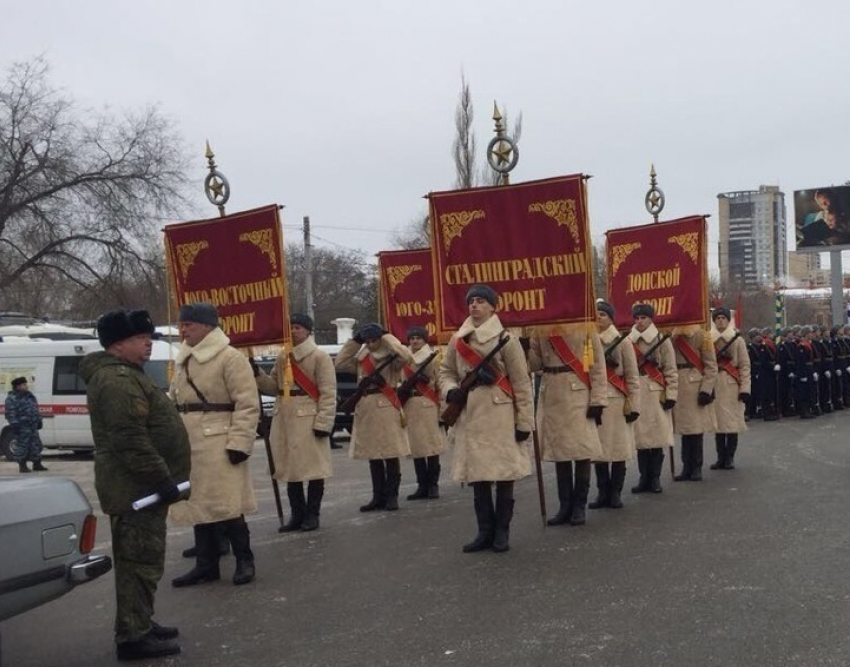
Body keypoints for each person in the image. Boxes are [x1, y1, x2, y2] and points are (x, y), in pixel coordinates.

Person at [78, 309, 190, 661]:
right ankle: (133, 636)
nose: (148, 345)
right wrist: (162, 478)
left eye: (150, 339)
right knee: (139, 564)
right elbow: (130, 440)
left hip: (142, 489)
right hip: (138, 489)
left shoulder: (127, 374)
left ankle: (140, 620)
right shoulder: (116, 381)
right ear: (117, 345)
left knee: (142, 562)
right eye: (141, 339)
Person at [169, 303, 260, 587]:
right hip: (189, 439)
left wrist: (240, 442)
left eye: (189, 324)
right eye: (182, 324)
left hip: (220, 439)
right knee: (199, 503)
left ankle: (245, 560)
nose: (183, 329)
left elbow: (247, 403)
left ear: (208, 326)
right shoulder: (184, 359)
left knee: (228, 504)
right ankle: (206, 565)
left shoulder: (230, 358)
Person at [439, 284, 533, 553]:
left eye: (481, 301)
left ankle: (502, 531)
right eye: (471, 301)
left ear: (493, 306)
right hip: (469, 412)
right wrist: (451, 390)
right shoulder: (458, 340)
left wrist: (524, 421)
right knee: (477, 477)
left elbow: (521, 383)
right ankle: (484, 531)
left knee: (503, 475)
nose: (474, 306)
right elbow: (445, 372)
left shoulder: (507, 339)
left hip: (500, 412)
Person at [254, 314, 336, 532]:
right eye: (291, 327)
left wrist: (324, 422)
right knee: (291, 470)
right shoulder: (283, 356)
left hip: (308, 417)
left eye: (298, 327)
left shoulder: (319, 357)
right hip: (285, 418)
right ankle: (297, 515)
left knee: (313, 470)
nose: (293, 331)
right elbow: (273, 387)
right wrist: (257, 374)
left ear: (308, 331)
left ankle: (312, 514)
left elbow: (328, 393)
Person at [528, 314, 607, 527]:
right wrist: (525, 343)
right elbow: (534, 365)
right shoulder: (540, 327)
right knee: (560, 453)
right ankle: (565, 506)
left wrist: (598, 399)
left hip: (578, 391)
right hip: (551, 391)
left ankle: (579, 505)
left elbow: (598, 365)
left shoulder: (585, 324)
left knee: (581, 451)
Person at [335, 322, 414, 512]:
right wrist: (355, 341)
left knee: (389, 453)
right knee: (373, 455)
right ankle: (378, 496)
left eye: (374, 340)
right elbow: (340, 362)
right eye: (367, 341)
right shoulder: (363, 357)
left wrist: (387, 337)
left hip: (386, 405)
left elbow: (407, 356)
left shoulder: (392, 357)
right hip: (367, 406)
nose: (370, 344)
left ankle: (392, 496)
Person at [591, 300, 640, 510]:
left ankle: (615, 493)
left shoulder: (622, 341)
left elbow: (632, 376)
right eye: (596, 314)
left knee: (618, 449)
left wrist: (634, 405)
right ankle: (603, 492)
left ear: (611, 318)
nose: (599, 318)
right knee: (599, 451)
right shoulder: (588, 340)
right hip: (597, 401)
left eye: (602, 314)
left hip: (617, 400)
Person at [629, 303, 678, 494]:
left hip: (656, 392)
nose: (640, 322)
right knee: (641, 440)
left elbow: (671, 370)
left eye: (643, 318)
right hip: (637, 392)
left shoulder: (661, 340)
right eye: (637, 318)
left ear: (651, 319)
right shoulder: (628, 341)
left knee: (656, 439)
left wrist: (671, 394)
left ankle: (655, 478)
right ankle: (644, 478)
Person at [400, 326, 447, 501]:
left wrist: (443, 412)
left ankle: (433, 485)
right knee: (417, 448)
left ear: (425, 340)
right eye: (412, 338)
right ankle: (422, 486)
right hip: (410, 404)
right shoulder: (404, 358)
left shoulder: (432, 358)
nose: (415, 341)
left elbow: (440, 385)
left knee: (431, 447)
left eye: (418, 338)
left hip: (428, 403)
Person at [670, 319, 718, 482]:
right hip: (678, 384)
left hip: (695, 384)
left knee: (695, 430)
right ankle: (686, 467)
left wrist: (706, 389)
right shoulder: (672, 336)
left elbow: (711, 366)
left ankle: (696, 466)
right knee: (685, 430)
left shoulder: (702, 336)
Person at [710, 307, 751, 470]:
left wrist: (745, 388)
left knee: (732, 424)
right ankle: (721, 457)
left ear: (728, 321)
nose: (720, 321)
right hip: (715, 384)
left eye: (723, 318)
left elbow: (744, 365)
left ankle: (730, 458)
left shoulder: (737, 340)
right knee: (718, 425)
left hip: (732, 384)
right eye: (717, 318)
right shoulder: (709, 340)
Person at [5, 376, 46, 473]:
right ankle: (22, 465)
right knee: (23, 446)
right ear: (18, 386)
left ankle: (37, 464)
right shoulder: (12, 399)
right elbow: (11, 413)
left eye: (25, 384)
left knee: (36, 445)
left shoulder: (30, 396)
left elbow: (35, 409)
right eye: (24, 385)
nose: (26, 386)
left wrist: (39, 420)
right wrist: (15, 425)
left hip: (32, 425)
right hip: (22, 426)